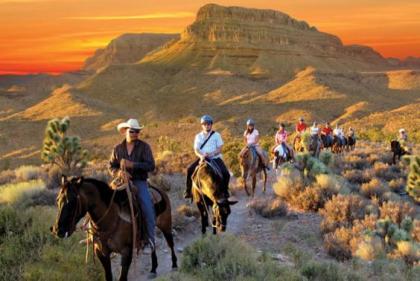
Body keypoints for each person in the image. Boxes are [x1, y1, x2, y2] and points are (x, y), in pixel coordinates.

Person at [108, 118, 156, 250]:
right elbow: (111, 166)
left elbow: (151, 166)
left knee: (146, 206)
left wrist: (132, 165)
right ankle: (100, 235)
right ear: (125, 131)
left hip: (138, 181)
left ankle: (150, 240)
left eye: (137, 131)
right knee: (104, 200)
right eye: (132, 131)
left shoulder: (144, 147)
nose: (135, 134)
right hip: (120, 181)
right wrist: (119, 173)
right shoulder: (117, 149)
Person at [184, 115, 230, 199]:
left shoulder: (216, 135)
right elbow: (196, 149)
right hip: (203, 158)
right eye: (204, 124)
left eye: (208, 124)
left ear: (211, 125)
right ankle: (188, 191)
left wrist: (212, 154)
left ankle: (225, 191)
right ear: (202, 125)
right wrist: (201, 156)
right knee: (189, 170)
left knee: (226, 173)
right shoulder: (198, 136)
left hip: (214, 158)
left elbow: (219, 149)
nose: (206, 125)